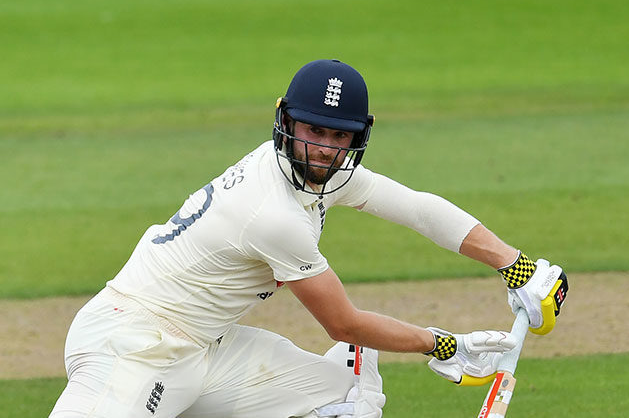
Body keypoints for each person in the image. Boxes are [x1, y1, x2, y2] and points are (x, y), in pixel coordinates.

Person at [49, 59, 569, 418]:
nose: (321, 148)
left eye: (336, 136)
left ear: (356, 138)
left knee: (345, 400)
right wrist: (443, 344)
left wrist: (516, 265)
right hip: (135, 344)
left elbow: (415, 207)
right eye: (311, 130)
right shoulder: (271, 212)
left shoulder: (320, 174)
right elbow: (343, 323)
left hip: (208, 347)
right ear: (285, 119)